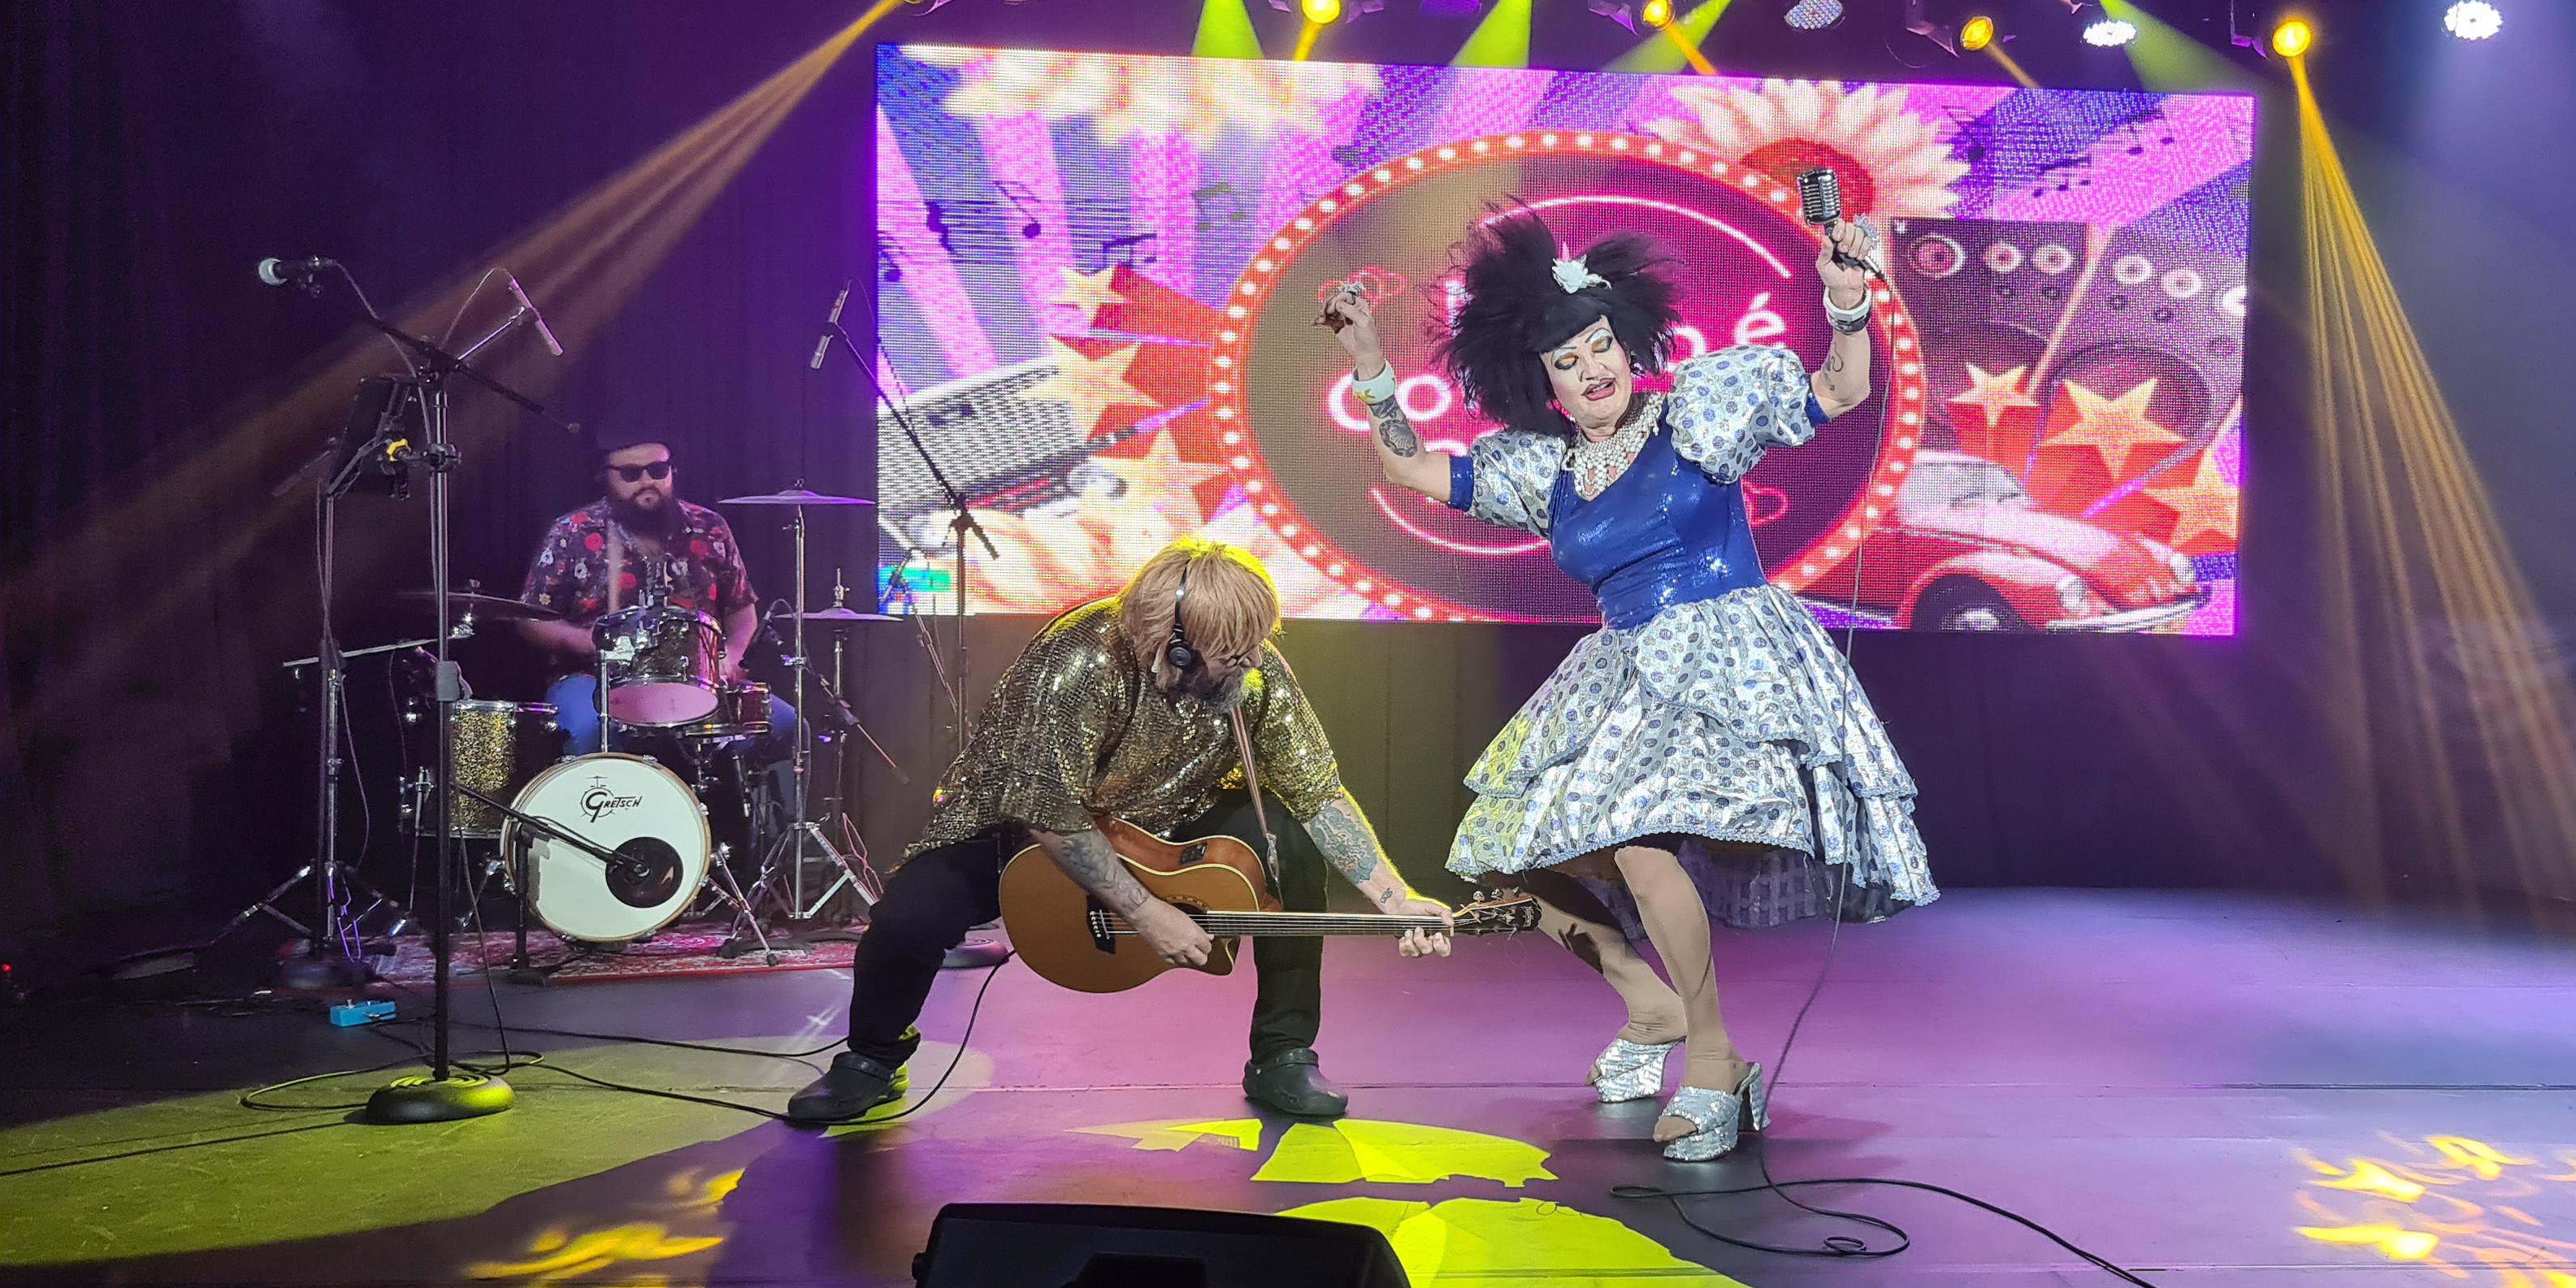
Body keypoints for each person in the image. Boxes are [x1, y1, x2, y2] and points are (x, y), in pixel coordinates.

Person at [1325, 206, 1937, 1160]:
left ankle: (1716, 1060)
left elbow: (1840, 388)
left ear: (1628, 342)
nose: (1592, 369)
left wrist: (1846, 301)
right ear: (1545, 385)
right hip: (1620, 667)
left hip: (1725, 651)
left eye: (1601, 346)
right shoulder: (1547, 471)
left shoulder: (1696, 414)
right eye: (1567, 362)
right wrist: (1368, 360)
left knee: (1642, 848)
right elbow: (1407, 465)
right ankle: (1649, 1004)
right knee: (1509, 852)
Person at [785, 539, 1455, 1126]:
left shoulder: (1257, 674)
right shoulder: (1081, 660)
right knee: (908, 918)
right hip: (1020, 821)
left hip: (1170, 812)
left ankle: (1283, 1053)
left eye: (1256, 647)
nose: (1253, 663)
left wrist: (1396, 899)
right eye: (1233, 654)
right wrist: (1146, 911)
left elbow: (1317, 793)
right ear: (1178, 647)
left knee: (1289, 839)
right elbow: (1048, 810)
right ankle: (872, 1058)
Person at [515, 433, 796, 764]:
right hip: (593, 678)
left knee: (785, 724)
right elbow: (530, 619)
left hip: (698, 680)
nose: (647, 482)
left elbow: (742, 611)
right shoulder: (572, 531)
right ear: (604, 476)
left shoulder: (710, 528)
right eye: (631, 474)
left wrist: (730, 658)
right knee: (592, 730)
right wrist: (587, 642)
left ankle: (723, 794)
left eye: (658, 470)